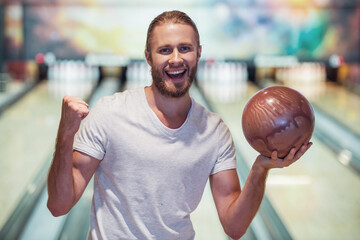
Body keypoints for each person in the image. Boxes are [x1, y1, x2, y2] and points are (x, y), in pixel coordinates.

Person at [47, 10, 312, 240]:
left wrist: (259, 169)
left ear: (198, 53)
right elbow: (59, 206)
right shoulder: (109, 112)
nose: (176, 58)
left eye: (184, 48)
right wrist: (65, 135)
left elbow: (234, 226)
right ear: (148, 58)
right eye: (165, 50)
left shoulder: (215, 132)